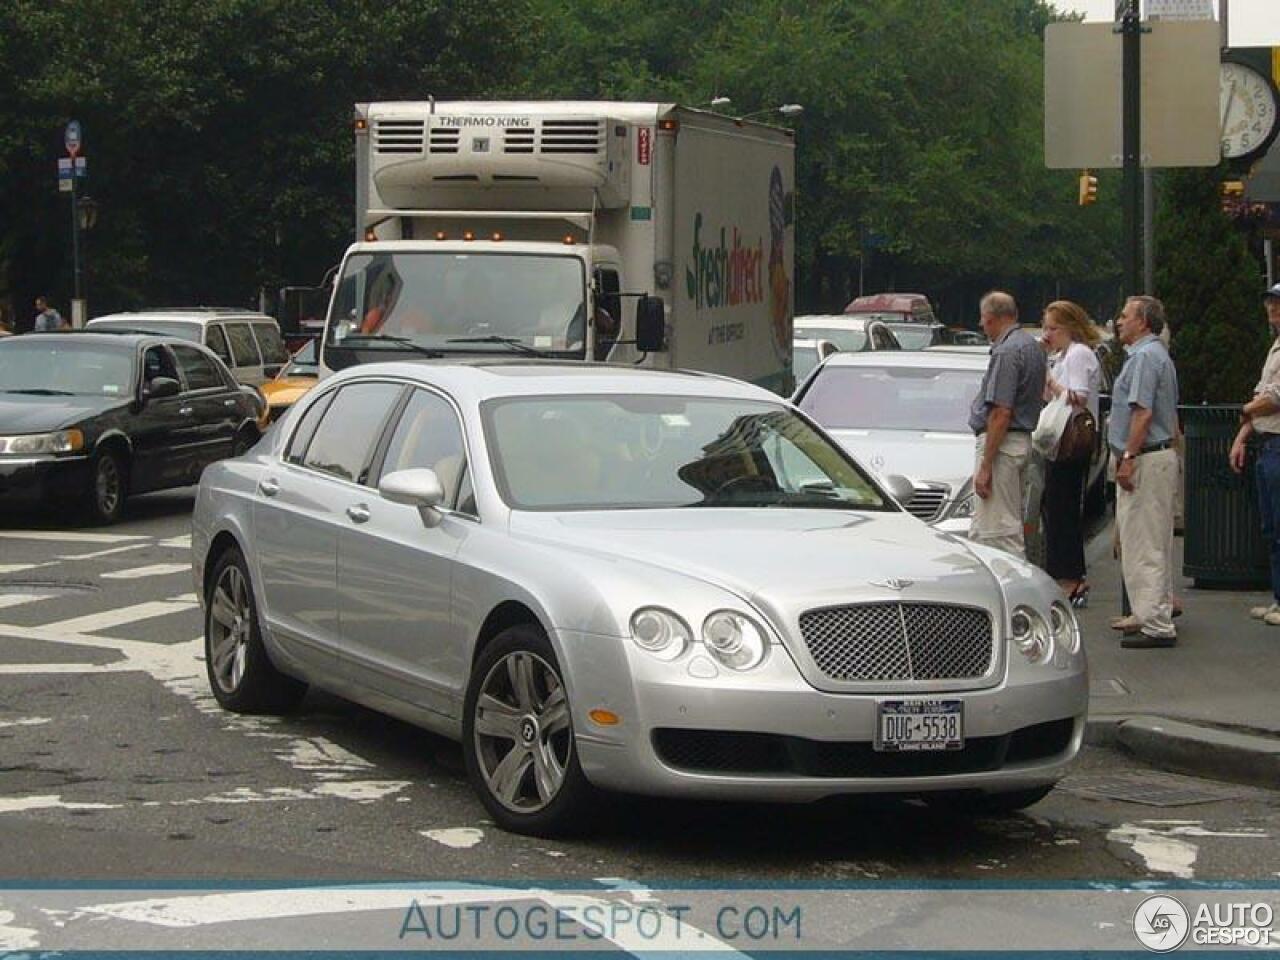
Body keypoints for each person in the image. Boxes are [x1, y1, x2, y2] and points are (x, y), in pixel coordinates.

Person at [1108, 295, 1180, 648]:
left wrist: (1128, 456)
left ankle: (1154, 623)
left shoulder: (1144, 359)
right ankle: (1149, 609)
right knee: (1153, 538)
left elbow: (1142, 413)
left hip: (1146, 458)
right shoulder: (1155, 355)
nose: (1119, 321)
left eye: (1125, 316)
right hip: (1157, 456)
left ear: (1143, 322)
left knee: (1143, 541)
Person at [967, 291, 1047, 559]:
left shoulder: (1006, 351)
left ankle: (1015, 591)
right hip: (1019, 441)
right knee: (998, 527)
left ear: (991, 318)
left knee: (998, 533)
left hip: (1002, 445)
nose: (981, 324)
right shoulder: (1031, 346)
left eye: (983, 318)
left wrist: (986, 465)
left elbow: (1001, 412)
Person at [1040, 300, 1102, 606]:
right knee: (1055, 507)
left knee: (1064, 507)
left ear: (1069, 328)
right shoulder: (1059, 355)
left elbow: (1079, 397)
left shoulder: (1079, 354)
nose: (1047, 333)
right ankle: (1062, 572)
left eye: (1053, 328)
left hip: (1071, 440)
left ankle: (1071, 576)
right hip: (1057, 442)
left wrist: (1052, 382)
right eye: (1046, 327)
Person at [1229, 282, 1280, 626]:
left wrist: (1246, 410)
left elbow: (1274, 398)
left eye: (1277, 305)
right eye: (1270, 305)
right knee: (1271, 526)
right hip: (1267, 443)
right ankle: (1277, 598)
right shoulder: (1275, 347)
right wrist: (1243, 435)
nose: (1272, 311)